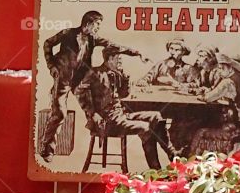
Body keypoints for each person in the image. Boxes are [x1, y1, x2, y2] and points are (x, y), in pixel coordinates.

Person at [38, 12, 139, 159]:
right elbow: (47, 43)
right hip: (63, 79)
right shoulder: (67, 33)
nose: (98, 28)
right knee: (59, 113)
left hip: (81, 79)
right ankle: (47, 149)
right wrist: (51, 66)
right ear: (89, 23)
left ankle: (100, 134)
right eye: (97, 24)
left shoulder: (93, 38)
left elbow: (112, 44)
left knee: (92, 109)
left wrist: (134, 52)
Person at [75, 46, 173, 171]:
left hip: (120, 115)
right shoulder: (94, 73)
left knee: (156, 116)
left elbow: (123, 95)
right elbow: (78, 92)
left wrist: (125, 78)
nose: (120, 61)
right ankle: (156, 170)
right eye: (118, 59)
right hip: (107, 122)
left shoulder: (116, 74)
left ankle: (171, 153)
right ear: (110, 59)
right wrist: (92, 114)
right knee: (146, 128)